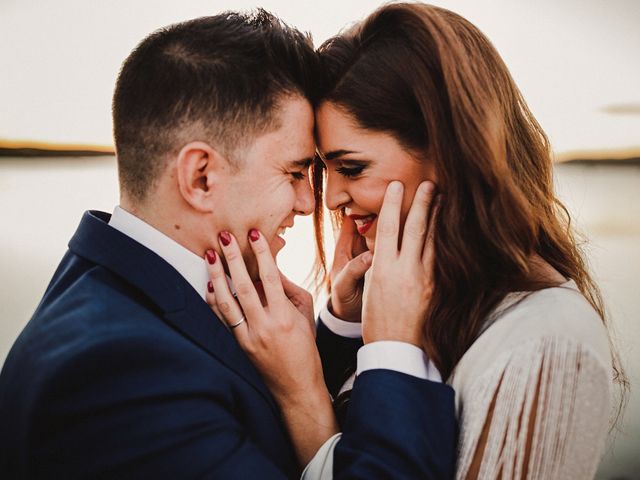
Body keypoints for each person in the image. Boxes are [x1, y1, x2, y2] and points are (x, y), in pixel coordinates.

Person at [0, 10, 456, 479]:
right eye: (296, 172)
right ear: (201, 177)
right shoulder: (116, 377)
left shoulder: (129, 290)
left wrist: (339, 326)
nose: (309, 203)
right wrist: (395, 351)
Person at [208, 3, 625, 479]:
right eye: (324, 170)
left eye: (352, 168)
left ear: (449, 152)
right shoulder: (411, 305)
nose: (331, 200)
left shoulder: (546, 340)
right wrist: (343, 327)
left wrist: (301, 398)